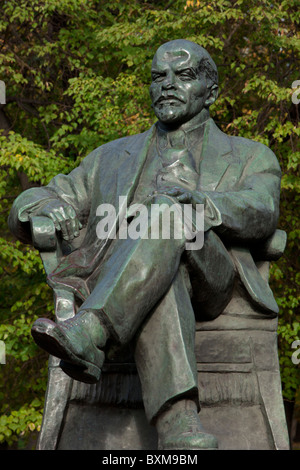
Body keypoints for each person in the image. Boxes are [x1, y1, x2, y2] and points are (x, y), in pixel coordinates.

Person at [8, 39, 281, 450]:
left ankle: (93, 330)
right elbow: (32, 200)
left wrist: (201, 203)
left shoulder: (249, 155)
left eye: (183, 75)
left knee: (168, 213)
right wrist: (45, 207)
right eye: (158, 77)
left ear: (211, 91)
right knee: (161, 281)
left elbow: (262, 209)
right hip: (141, 282)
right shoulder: (111, 157)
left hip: (213, 276)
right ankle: (178, 427)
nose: (167, 85)